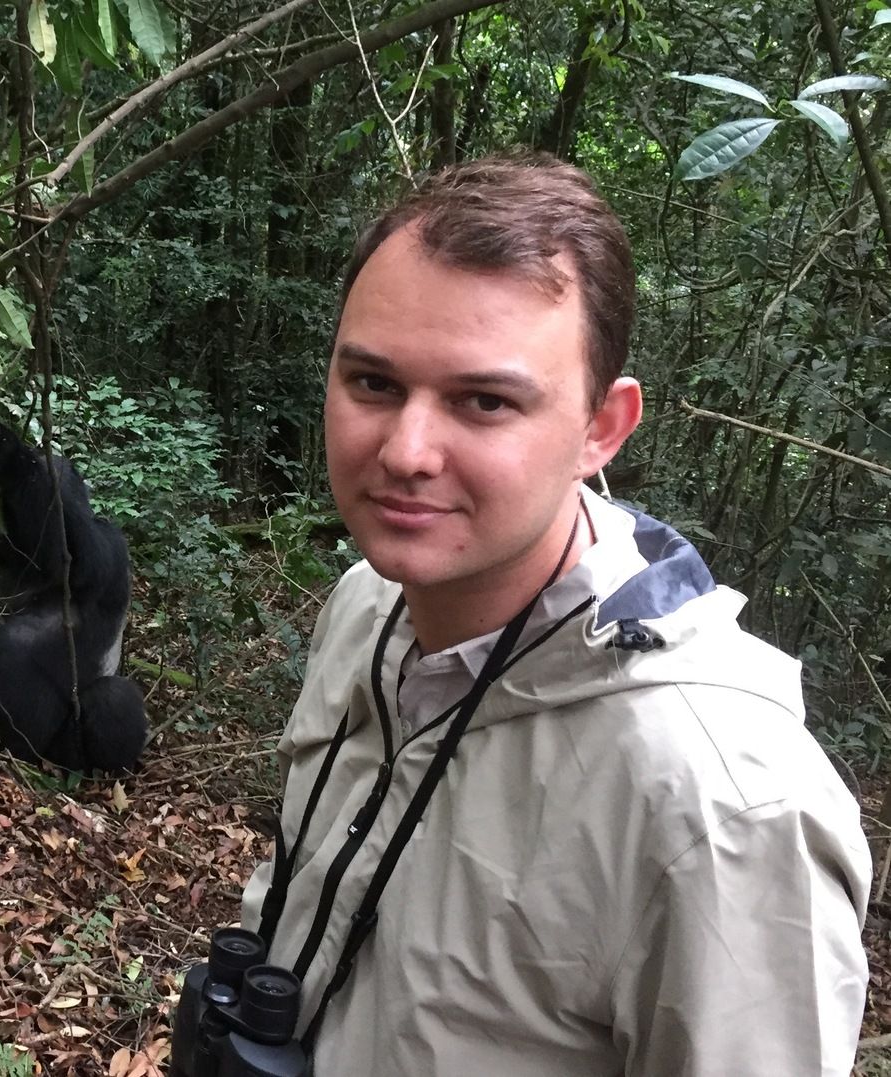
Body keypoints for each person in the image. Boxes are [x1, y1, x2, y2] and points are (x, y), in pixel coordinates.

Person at [240, 151, 871, 1076]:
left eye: (484, 401)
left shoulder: (723, 808)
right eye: (374, 383)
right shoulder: (371, 604)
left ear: (601, 427)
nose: (407, 450)